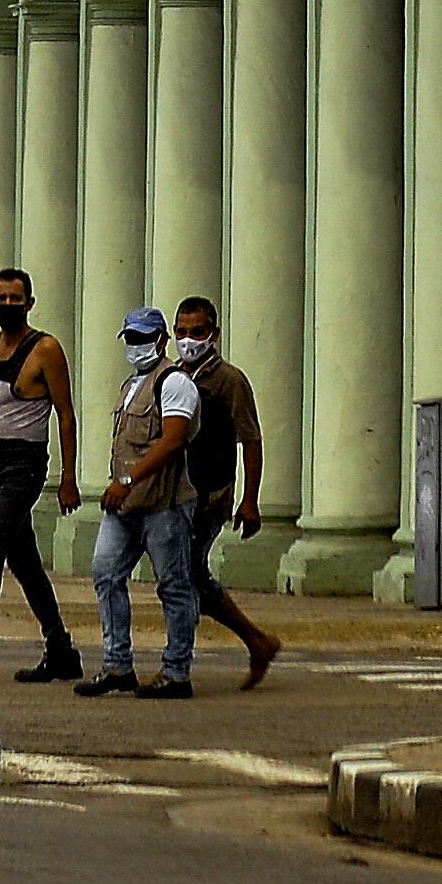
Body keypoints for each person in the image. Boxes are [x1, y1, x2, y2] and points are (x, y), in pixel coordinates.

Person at [0, 266, 84, 685]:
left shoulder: (45, 349)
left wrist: (68, 476)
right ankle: (60, 648)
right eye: (1, 299)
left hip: (24, 467)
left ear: (30, 302)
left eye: (15, 299)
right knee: (25, 563)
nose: (8, 305)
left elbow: (65, 415)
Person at [77, 306, 204, 702]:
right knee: (106, 573)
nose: (137, 345)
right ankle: (117, 664)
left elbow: (171, 441)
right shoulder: (130, 385)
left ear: (161, 340)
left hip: (164, 505)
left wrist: (126, 480)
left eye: (144, 338)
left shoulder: (174, 381)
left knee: (174, 586)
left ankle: (176, 672)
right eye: (131, 338)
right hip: (126, 507)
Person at [161, 295, 281, 691]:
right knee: (186, 573)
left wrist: (250, 500)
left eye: (197, 332)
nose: (188, 340)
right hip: (178, 492)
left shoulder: (229, 381)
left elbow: (251, 439)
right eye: (181, 332)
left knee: (188, 571)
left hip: (212, 494)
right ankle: (253, 641)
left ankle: (189, 658)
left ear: (214, 333)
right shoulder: (173, 376)